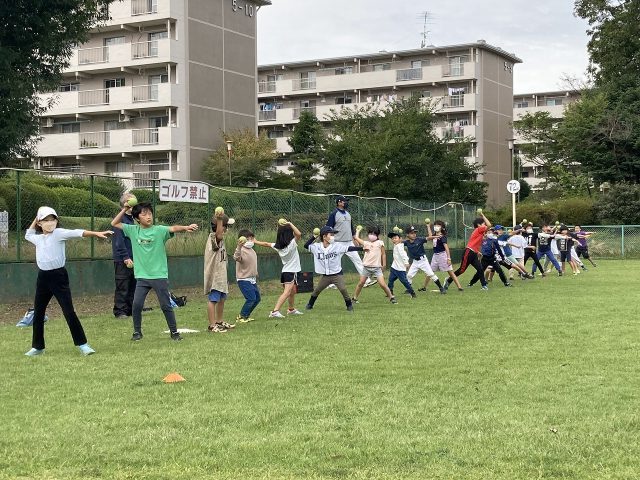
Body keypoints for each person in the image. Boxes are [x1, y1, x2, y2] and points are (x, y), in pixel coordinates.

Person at [24, 206, 112, 356]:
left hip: (59, 277)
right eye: (46, 220)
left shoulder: (59, 233)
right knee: (38, 312)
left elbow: (78, 232)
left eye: (53, 219)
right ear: (40, 222)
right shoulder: (37, 238)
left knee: (68, 311)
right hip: (43, 278)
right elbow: (28, 234)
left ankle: (83, 345)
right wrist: (37, 216)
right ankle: (38, 347)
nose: (50, 222)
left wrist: (96, 233)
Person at [111, 202, 199, 341]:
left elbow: (173, 228)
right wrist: (125, 209)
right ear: (137, 218)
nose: (148, 216)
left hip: (159, 275)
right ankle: (137, 332)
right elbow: (114, 223)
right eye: (144, 214)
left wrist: (186, 227)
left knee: (166, 305)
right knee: (137, 304)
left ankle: (174, 333)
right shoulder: (133, 230)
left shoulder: (159, 230)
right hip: (142, 276)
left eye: (150, 213)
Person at [304, 225, 363, 311]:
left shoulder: (337, 246)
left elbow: (349, 248)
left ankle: (349, 306)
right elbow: (306, 245)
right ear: (324, 237)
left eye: (333, 235)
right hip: (326, 276)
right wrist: (314, 236)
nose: (333, 237)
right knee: (317, 290)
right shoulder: (316, 247)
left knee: (343, 289)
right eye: (331, 234)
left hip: (337, 274)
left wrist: (362, 248)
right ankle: (310, 305)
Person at [254, 220, 303, 318]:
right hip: (291, 272)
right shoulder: (292, 244)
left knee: (292, 291)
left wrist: (255, 241)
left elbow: (266, 244)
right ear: (289, 234)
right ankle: (275, 311)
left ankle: (291, 309)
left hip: (285, 272)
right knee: (287, 292)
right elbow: (299, 234)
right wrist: (289, 223)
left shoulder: (278, 246)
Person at [326, 195, 371, 287]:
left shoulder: (348, 214)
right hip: (338, 242)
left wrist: (355, 238)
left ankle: (366, 280)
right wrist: (328, 240)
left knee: (357, 260)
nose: (346, 203)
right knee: (334, 262)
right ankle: (331, 283)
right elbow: (328, 228)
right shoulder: (334, 214)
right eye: (344, 201)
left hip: (349, 242)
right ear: (339, 203)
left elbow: (351, 228)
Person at [204, 211, 235, 333]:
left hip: (221, 274)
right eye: (225, 226)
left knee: (222, 299)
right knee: (213, 299)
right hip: (215, 275)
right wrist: (220, 219)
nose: (227, 228)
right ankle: (212, 325)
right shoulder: (213, 237)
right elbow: (219, 235)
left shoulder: (219, 238)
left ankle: (219, 321)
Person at [444, 212, 491, 291]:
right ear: (479, 225)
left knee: (480, 269)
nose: (485, 225)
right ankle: (448, 280)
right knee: (462, 270)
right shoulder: (479, 229)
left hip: (473, 253)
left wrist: (478, 251)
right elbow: (489, 225)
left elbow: (478, 241)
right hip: (469, 252)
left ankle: (484, 286)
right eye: (483, 223)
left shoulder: (479, 231)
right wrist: (483, 215)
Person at [352, 226, 397, 304]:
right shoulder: (366, 243)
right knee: (361, 283)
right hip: (366, 268)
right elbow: (356, 238)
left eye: (373, 234)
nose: (371, 235)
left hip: (376, 268)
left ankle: (391, 297)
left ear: (377, 235)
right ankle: (354, 298)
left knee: (382, 284)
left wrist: (384, 265)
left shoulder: (380, 243)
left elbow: (383, 254)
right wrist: (358, 231)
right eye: (370, 233)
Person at [111, 192, 136, 319]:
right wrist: (125, 257)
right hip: (122, 259)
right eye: (130, 201)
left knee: (133, 284)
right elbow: (119, 241)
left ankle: (131, 309)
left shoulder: (134, 219)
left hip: (135, 257)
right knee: (123, 285)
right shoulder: (120, 219)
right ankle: (120, 311)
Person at [404, 224, 446, 294]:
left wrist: (436, 236)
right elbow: (399, 243)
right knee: (409, 275)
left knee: (431, 274)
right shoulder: (407, 242)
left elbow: (429, 238)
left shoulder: (419, 240)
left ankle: (441, 288)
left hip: (423, 261)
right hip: (415, 262)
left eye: (414, 233)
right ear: (407, 235)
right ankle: (409, 289)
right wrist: (396, 239)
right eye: (412, 233)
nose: (414, 234)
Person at [423, 220, 463, 291]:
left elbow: (446, 247)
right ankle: (424, 287)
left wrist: (448, 258)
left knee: (450, 271)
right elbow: (430, 237)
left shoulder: (442, 236)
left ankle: (459, 287)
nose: (436, 227)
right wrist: (428, 227)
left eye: (438, 225)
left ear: (442, 227)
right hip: (435, 256)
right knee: (430, 271)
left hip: (442, 255)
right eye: (435, 225)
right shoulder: (435, 236)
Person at [234, 229, 261, 323]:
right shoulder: (241, 250)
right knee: (251, 298)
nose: (251, 240)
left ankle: (246, 315)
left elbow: (252, 263)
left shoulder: (252, 250)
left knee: (257, 299)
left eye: (252, 238)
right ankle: (241, 316)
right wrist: (239, 246)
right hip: (243, 279)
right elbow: (236, 257)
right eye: (248, 238)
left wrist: (255, 272)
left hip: (252, 279)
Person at [387, 231, 416, 298]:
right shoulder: (396, 245)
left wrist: (406, 263)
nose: (394, 239)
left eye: (395, 238)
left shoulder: (399, 246)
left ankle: (412, 292)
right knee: (390, 280)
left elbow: (404, 255)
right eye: (393, 238)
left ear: (400, 239)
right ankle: (390, 292)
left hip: (400, 269)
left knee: (404, 282)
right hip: (394, 267)